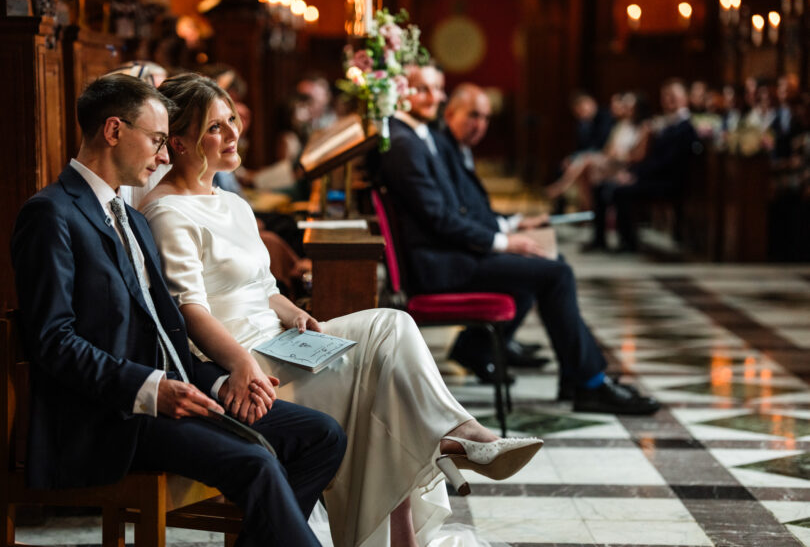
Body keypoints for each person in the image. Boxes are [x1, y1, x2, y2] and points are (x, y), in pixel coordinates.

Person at [139, 73, 544, 547]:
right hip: (243, 368)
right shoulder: (166, 212)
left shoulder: (231, 202)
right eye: (215, 127)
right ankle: (440, 466)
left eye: (232, 120)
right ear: (181, 142)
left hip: (281, 340)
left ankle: (458, 439)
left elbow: (265, 287)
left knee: (391, 328)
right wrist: (242, 363)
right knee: (381, 385)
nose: (233, 134)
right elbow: (189, 310)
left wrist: (294, 314)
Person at [10, 74, 347, 547]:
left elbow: (163, 330)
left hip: (175, 393)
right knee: (256, 461)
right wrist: (150, 389)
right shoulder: (51, 214)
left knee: (323, 436)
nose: (166, 156)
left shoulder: (131, 216)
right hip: (110, 417)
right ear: (113, 131)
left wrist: (225, 377)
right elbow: (53, 342)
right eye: (157, 141)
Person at [378, 68, 661, 417]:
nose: (435, 97)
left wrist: (507, 232)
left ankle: (581, 377)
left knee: (546, 268)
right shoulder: (406, 143)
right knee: (555, 274)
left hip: (448, 253)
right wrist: (502, 242)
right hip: (441, 264)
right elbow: (440, 219)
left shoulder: (414, 136)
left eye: (437, 89)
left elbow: (453, 210)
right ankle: (589, 383)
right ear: (401, 91)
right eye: (423, 89)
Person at [589, 78, 698, 252]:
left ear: (685, 98)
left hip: (668, 181)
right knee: (602, 186)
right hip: (653, 176)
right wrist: (631, 173)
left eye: (673, 96)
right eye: (665, 96)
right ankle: (599, 239)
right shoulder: (668, 123)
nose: (668, 100)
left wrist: (635, 176)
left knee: (618, 190)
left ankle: (628, 242)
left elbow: (668, 162)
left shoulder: (686, 127)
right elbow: (651, 159)